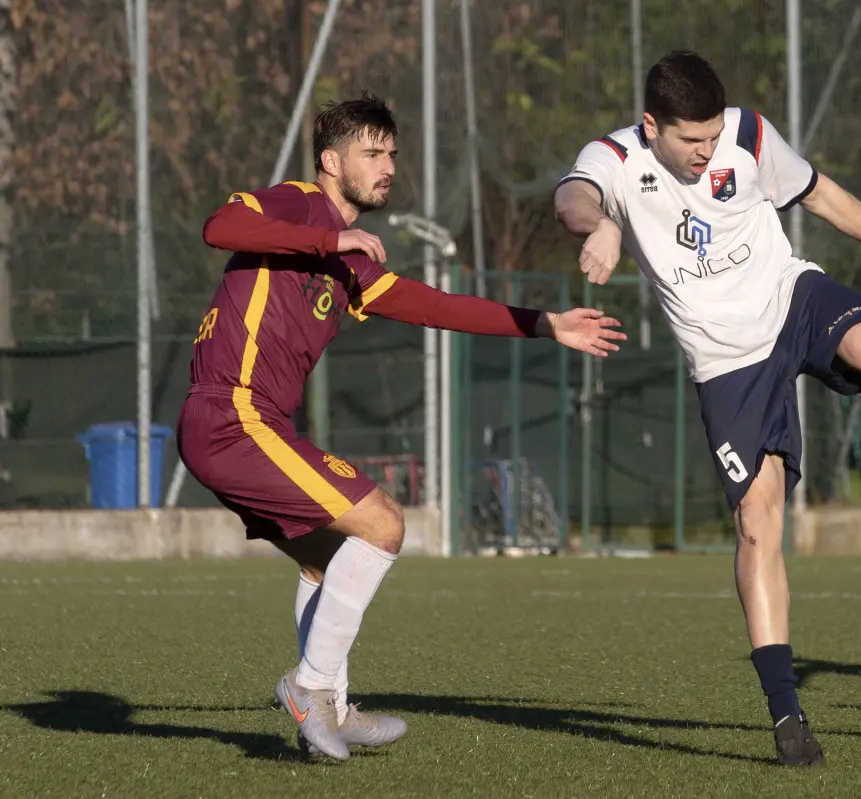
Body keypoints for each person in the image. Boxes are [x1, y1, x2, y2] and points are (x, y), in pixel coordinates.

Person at [553, 50, 861, 768]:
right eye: (690, 141)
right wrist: (602, 225)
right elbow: (571, 196)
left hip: (793, 297)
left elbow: (821, 194)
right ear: (650, 125)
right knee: (758, 524)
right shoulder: (613, 158)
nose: (705, 152)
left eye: (711, 137)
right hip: (727, 361)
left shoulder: (749, 134)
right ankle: (787, 715)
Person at [178, 93, 626, 761]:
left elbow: (433, 304)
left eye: (392, 152)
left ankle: (328, 705)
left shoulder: (354, 263)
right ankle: (310, 688)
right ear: (332, 161)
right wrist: (330, 237)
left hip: (250, 422)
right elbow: (219, 226)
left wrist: (544, 323)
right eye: (372, 152)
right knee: (383, 522)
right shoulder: (298, 205)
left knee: (328, 559)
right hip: (229, 413)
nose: (388, 165)